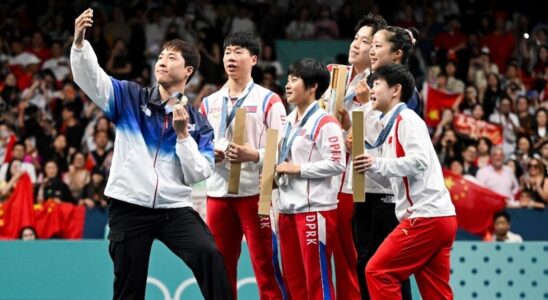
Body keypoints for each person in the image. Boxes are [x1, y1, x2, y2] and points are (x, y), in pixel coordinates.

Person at [70, 9, 231, 300]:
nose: (162, 62)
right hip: (129, 205)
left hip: (174, 209)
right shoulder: (130, 98)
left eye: (171, 58)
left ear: (188, 71)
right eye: (160, 57)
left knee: (208, 253)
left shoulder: (198, 123)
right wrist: (80, 44)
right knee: (128, 288)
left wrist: (183, 135)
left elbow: (198, 174)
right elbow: (93, 79)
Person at [354, 64, 456, 299]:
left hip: (425, 216)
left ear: (395, 89)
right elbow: (390, 176)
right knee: (436, 294)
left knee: (378, 271)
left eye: (377, 84)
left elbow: (418, 161)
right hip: (438, 217)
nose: (371, 89)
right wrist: (365, 165)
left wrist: (376, 163)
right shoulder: (392, 125)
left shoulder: (406, 119)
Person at [199, 31, 287, 300]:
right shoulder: (208, 102)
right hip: (217, 194)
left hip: (255, 195)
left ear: (254, 59)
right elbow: (198, 144)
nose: (231, 57)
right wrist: (207, 154)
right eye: (227, 52)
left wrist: (255, 155)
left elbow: (283, 148)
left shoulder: (268, 100)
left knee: (265, 265)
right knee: (221, 268)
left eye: (238, 52)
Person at [276, 58, 345, 299]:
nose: (287, 84)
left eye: (294, 79)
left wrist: (298, 169)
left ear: (313, 86)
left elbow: (337, 163)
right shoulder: (288, 120)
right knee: (294, 283)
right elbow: (282, 157)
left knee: (317, 281)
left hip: (314, 210)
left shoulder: (325, 123)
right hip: (286, 210)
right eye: (288, 79)